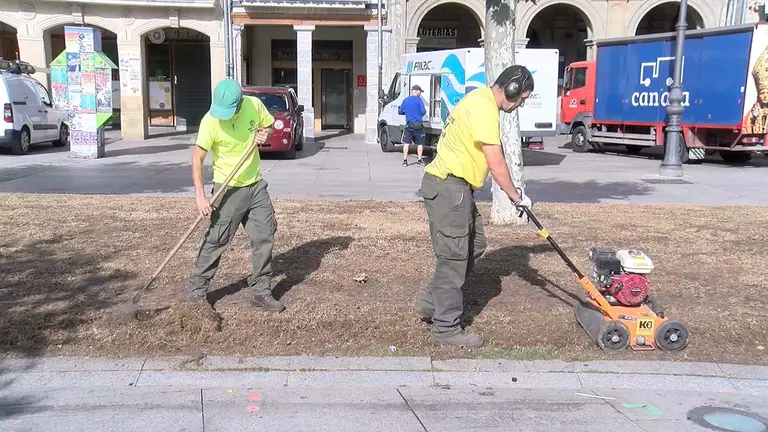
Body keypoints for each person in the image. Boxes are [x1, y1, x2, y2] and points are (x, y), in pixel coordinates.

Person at [413, 65, 535, 348]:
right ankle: (445, 328)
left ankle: (431, 303)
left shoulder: (479, 100)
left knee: (474, 244)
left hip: (457, 189)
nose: (522, 103)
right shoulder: (484, 108)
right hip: (449, 188)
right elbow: (496, 162)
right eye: (523, 97)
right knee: (454, 260)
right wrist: (517, 197)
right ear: (513, 89)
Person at [187, 78, 285, 313]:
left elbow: (268, 127)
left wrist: (265, 134)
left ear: (240, 103)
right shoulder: (210, 121)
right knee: (216, 240)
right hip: (227, 188)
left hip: (256, 186)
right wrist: (200, 196)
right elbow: (197, 159)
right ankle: (197, 292)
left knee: (264, 237)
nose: (224, 116)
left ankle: (261, 291)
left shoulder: (254, 105)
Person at [398, 84, 427, 166]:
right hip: (418, 124)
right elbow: (423, 111)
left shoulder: (406, 100)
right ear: (417, 91)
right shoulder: (419, 100)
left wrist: (406, 112)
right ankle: (419, 160)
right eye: (420, 92)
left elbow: (400, 111)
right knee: (420, 144)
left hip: (409, 125)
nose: (420, 93)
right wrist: (419, 114)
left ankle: (405, 161)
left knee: (406, 143)